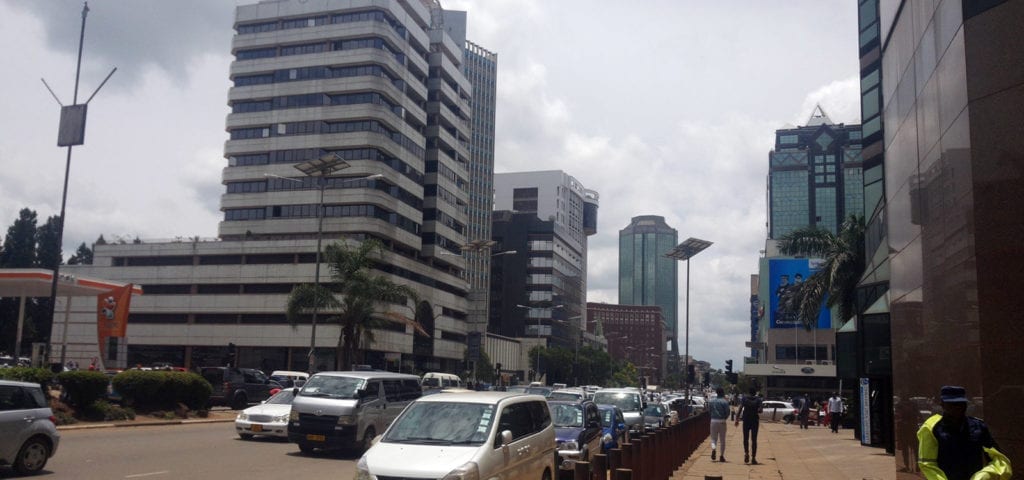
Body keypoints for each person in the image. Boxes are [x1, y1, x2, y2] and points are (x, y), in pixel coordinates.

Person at [917, 386, 1011, 480]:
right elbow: (928, 465)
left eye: (961, 403)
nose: (957, 408)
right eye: (952, 404)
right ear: (942, 404)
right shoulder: (932, 428)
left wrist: (987, 474)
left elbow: (999, 459)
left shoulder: (979, 427)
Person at [734, 386, 763, 465]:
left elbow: (740, 409)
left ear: (749, 392)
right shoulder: (759, 400)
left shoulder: (744, 399)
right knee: (754, 440)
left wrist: (737, 419)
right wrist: (757, 409)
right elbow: (760, 410)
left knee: (745, 438)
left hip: (746, 420)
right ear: (755, 392)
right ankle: (753, 458)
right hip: (754, 421)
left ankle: (746, 453)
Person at [708, 387, 730, 462]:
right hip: (722, 421)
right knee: (722, 440)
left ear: (717, 393)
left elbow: (709, 411)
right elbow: (728, 412)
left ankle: (714, 449)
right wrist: (724, 418)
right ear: (723, 393)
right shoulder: (725, 402)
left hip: (713, 421)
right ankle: (721, 456)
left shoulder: (711, 401)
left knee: (713, 439)